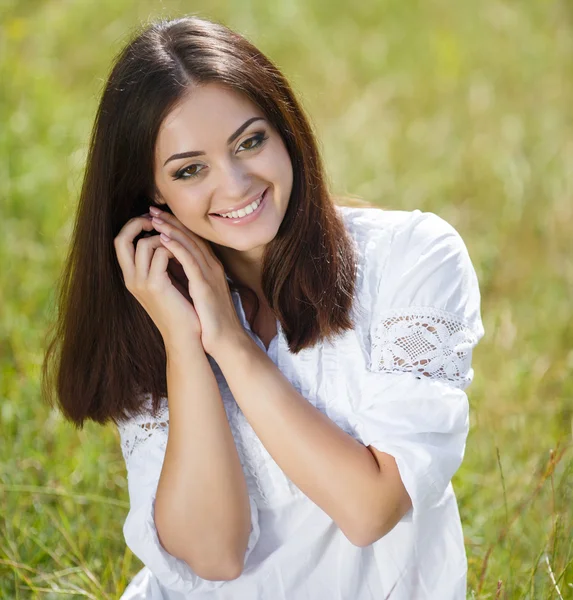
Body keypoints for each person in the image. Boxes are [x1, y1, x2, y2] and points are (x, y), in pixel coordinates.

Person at [42, 14, 485, 600]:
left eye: (250, 141)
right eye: (190, 169)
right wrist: (185, 344)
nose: (236, 184)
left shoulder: (412, 258)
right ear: (154, 194)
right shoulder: (156, 306)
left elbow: (369, 509)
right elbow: (214, 556)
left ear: (286, 133)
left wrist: (231, 342)